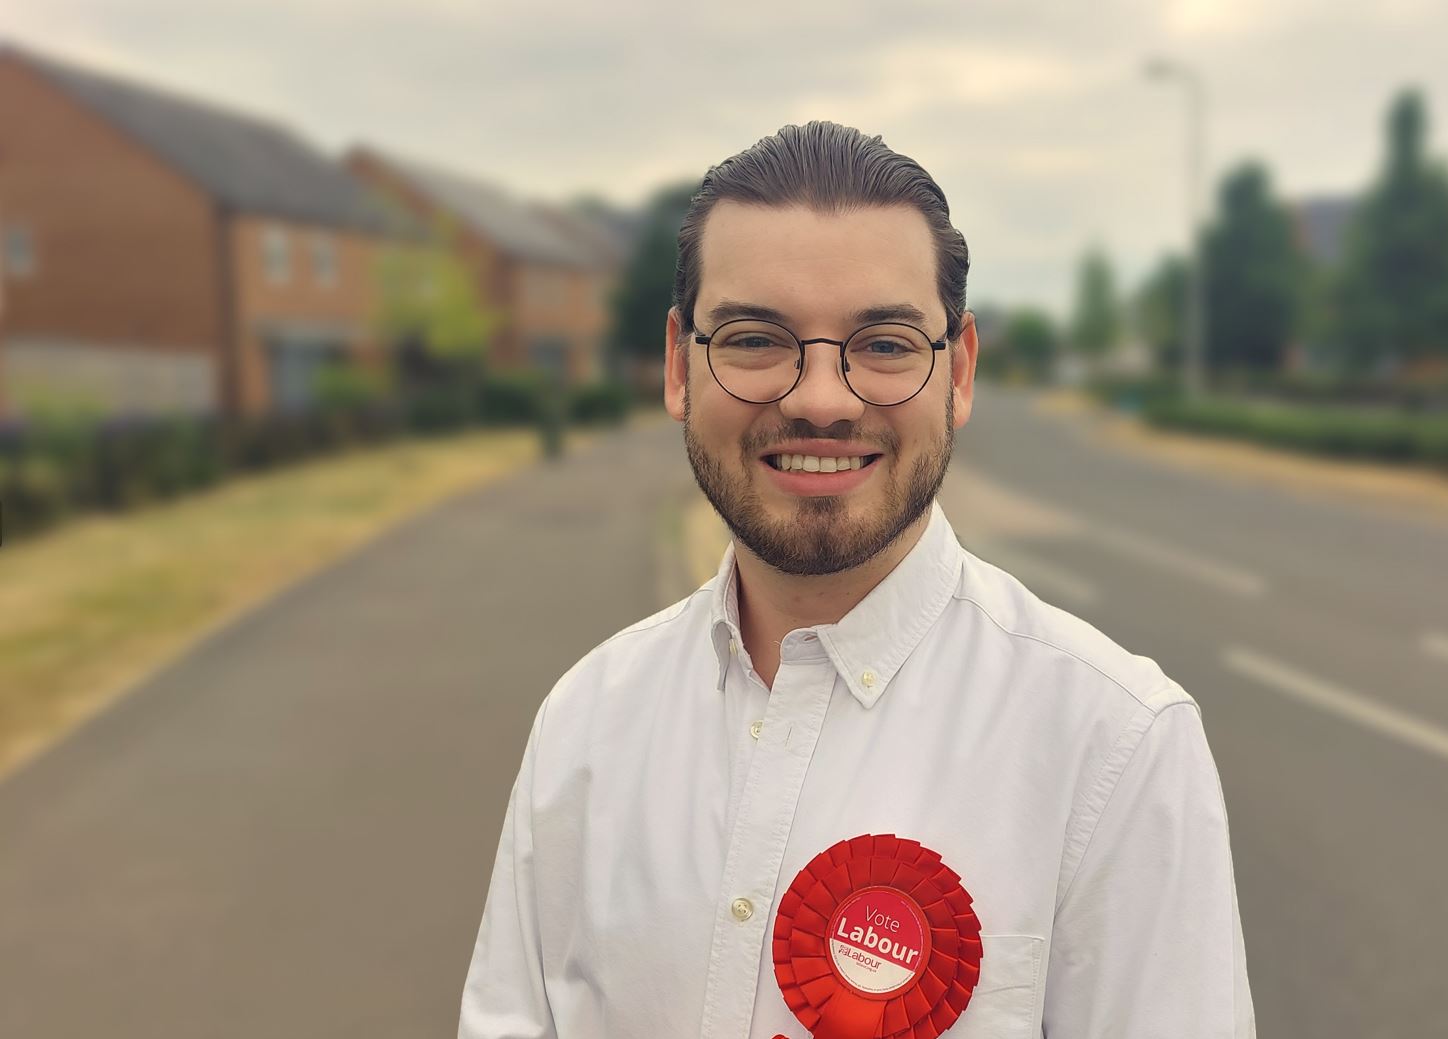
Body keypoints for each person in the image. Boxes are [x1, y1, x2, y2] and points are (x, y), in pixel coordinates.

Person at [457, 120, 1254, 1038]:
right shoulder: (586, 719)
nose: (822, 399)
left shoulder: (1114, 746)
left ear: (957, 373)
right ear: (680, 366)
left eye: (882, 344)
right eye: (757, 339)